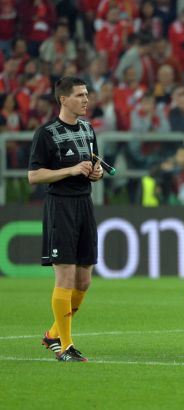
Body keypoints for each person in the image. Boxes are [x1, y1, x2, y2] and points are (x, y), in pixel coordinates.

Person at [28, 76, 103, 362]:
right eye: (80, 95)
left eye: (86, 94)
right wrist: (71, 170)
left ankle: (52, 334)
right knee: (66, 276)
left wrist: (94, 172)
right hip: (60, 207)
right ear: (63, 99)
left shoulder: (87, 129)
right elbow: (34, 176)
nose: (86, 99)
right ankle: (66, 346)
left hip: (84, 204)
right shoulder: (46, 133)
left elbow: (93, 163)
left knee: (84, 281)